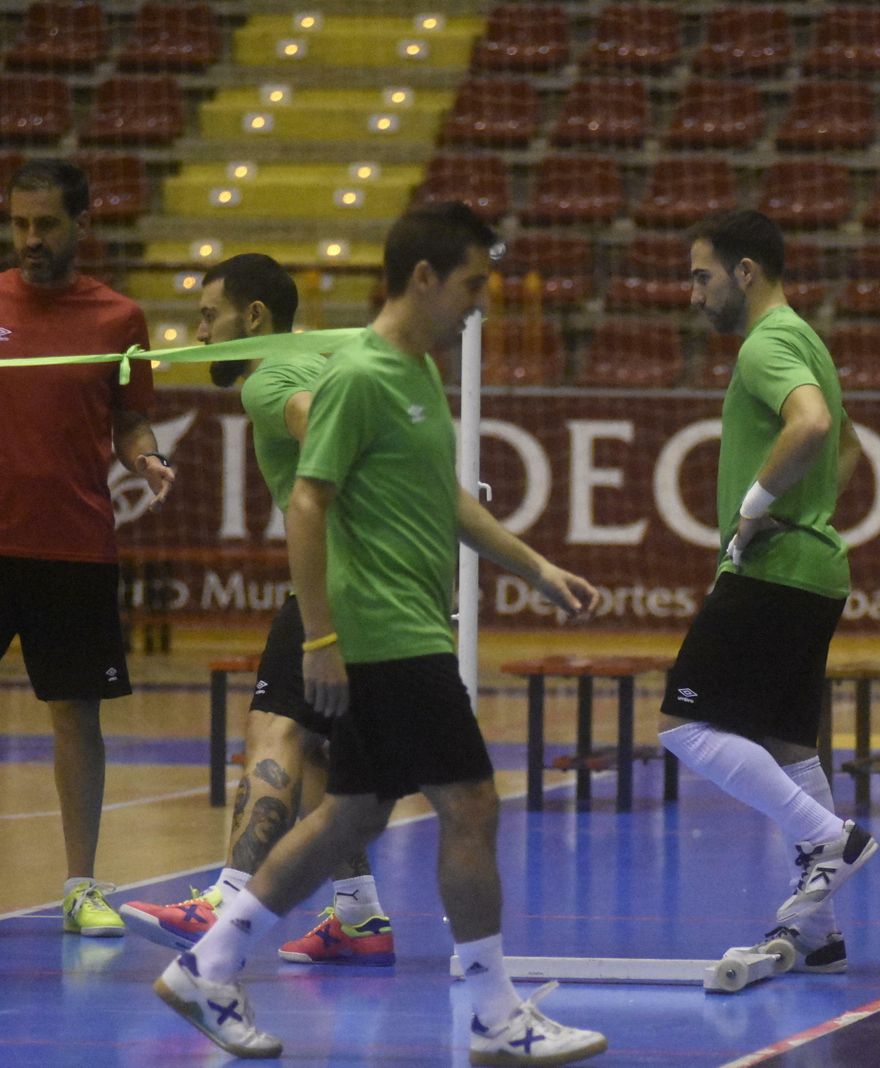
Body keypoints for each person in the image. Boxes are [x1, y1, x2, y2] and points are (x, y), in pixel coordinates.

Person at [152, 203, 607, 1065]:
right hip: (386, 630)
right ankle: (493, 1013)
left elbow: (446, 500)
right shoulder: (358, 376)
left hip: (403, 624)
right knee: (471, 804)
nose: (481, 303)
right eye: (472, 284)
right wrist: (321, 641)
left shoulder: (417, 371)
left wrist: (535, 567)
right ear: (424, 278)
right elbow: (308, 501)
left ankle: (206, 966)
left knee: (349, 816)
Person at [120, 254, 395, 967]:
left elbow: (322, 425)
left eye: (209, 316)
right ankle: (360, 917)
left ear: (254, 318)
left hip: (338, 580)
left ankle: (226, 900)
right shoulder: (324, 357)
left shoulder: (269, 380)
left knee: (276, 727)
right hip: (382, 581)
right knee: (317, 750)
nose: (199, 332)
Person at [657, 209, 875, 971]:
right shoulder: (806, 337)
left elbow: (812, 425)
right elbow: (849, 443)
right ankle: (819, 931)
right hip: (814, 571)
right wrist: (809, 511)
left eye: (702, 277)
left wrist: (756, 509)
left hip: (773, 570)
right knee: (789, 749)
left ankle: (830, 840)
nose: (694, 295)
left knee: (684, 724)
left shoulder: (767, 342)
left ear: (745, 272)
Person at [0, 158, 174, 938]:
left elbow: (130, 419)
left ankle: (79, 886)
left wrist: (145, 458)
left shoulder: (119, 319)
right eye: (19, 223)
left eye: (46, 224)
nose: (31, 238)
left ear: (81, 224)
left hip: (72, 546)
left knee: (76, 716)